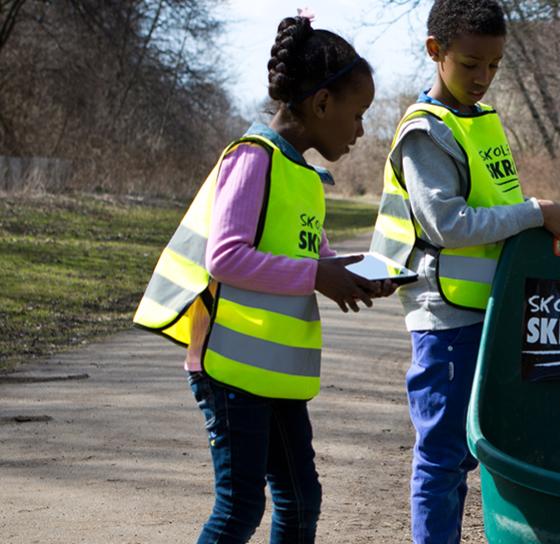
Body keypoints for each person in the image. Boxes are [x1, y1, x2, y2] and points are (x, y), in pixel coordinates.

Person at [131, 11, 390, 543]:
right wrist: (316, 276)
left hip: (272, 371)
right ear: (322, 104)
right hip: (228, 369)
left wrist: (350, 272)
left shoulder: (303, 174)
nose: (363, 130)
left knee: (300, 502)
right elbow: (225, 257)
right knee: (240, 507)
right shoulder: (254, 159)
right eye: (359, 113)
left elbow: (304, 251)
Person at [365, 1, 560, 541]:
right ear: (436, 52)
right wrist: (534, 212)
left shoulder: (481, 124)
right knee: (442, 457)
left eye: (495, 66)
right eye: (471, 63)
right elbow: (448, 223)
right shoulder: (426, 132)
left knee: (472, 452)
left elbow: (497, 211)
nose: (483, 78)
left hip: (489, 313)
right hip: (445, 319)